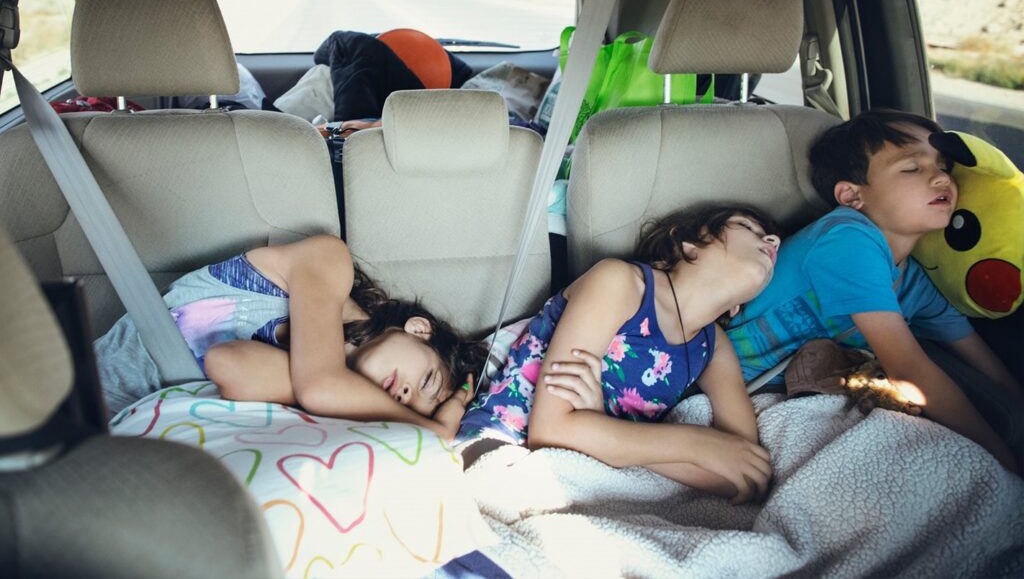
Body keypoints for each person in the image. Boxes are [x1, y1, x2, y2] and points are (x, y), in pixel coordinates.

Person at [727, 110, 1023, 472]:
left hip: (803, 393)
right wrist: (1004, 459)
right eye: (912, 168)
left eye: (943, 166)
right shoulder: (847, 238)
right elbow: (908, 368)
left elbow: (985, 363)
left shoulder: (914, 280)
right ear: (852, 196)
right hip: (735, 390)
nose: (940, 177)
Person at [459, 205, 780, 504]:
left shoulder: (714, 347)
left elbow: (744, 475)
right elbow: (550, 430)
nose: (772, 241)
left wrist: (600, 425)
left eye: (770, 238)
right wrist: (695, 444)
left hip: (593, 475)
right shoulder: (621, 282)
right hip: (503, 440)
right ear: (688, 246)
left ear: (736, 307)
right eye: (746, 226)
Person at [94, 235, 485, 440]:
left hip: (113, 444)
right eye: (427, 381)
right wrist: (430, 429)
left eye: (411, 407)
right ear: (419, 329)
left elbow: (229, 363)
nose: (405, 397)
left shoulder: (326, 398)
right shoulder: (328, 259)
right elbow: (319, 385)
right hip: (77, 391)